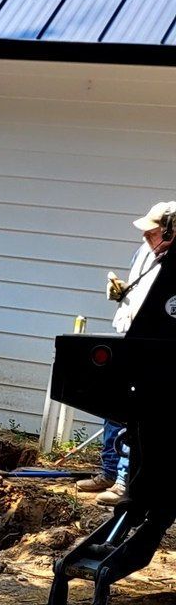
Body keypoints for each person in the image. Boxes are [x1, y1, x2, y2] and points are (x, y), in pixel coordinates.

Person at [77, 202, 176, 502]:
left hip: (156, 347)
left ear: (172, 230)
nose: (146, 237)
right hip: (130, 336)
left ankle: (124, 481)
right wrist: (121, 292)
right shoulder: (144, 252)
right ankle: (109, 470)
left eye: (153, 232)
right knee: (113, 406)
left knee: (138, 414)